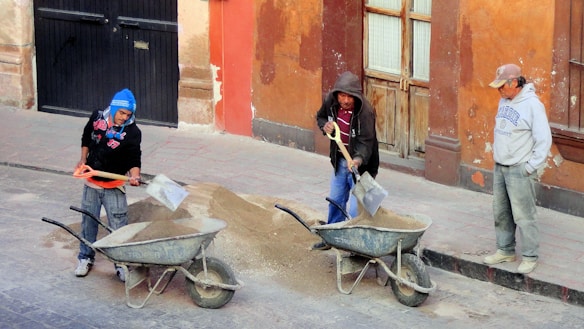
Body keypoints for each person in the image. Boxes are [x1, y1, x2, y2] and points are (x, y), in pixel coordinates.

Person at [483, 64, 552, 274]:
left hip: (520, 169)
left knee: (524, 215)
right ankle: (505, 250)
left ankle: (530, 256)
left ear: (514, 82)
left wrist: (530, 167)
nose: (499, 90)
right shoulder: (504, 100)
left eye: (502, 86)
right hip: (501, 167)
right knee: (501, 212)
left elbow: (544, 140)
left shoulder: (533, 105)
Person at [74, 88, 142, 282]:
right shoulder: (97, 119)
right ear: (113, 108)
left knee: (119, 226)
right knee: (88, 222)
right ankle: (85, 258)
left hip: (115, 186)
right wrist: (82, 159)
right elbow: (86, 137)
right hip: (92, 183)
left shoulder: (132, 131)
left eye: (128, 114)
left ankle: (121, 264)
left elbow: (134, 156)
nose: (124, 117)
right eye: (121, 113)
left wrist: (135, 175)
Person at [314, 71, 379, 250]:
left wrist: (357, 160)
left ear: (356, 96)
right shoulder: (331, 101)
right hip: (340, 160)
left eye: (349, 96)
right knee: (335, 199)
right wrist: (324, 125)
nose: (345, 100)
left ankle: (357, 244)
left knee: (355, 209)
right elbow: (320, 117)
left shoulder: (365, 111)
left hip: (362, 166)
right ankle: (332, 236)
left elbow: (367, 141)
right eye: (342, 95)